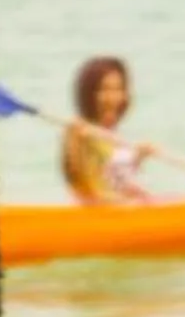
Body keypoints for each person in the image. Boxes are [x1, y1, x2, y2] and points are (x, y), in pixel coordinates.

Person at [60, 56, 156, 207]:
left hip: (117, 210)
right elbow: (84, 184)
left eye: (119, 89)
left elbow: (114, 180)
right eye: (104, 90)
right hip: (93, 214)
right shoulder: (79, 132)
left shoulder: (113, 136)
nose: (113, 98)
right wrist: (74, 142)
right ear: (89, 94)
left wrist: (138, 158)